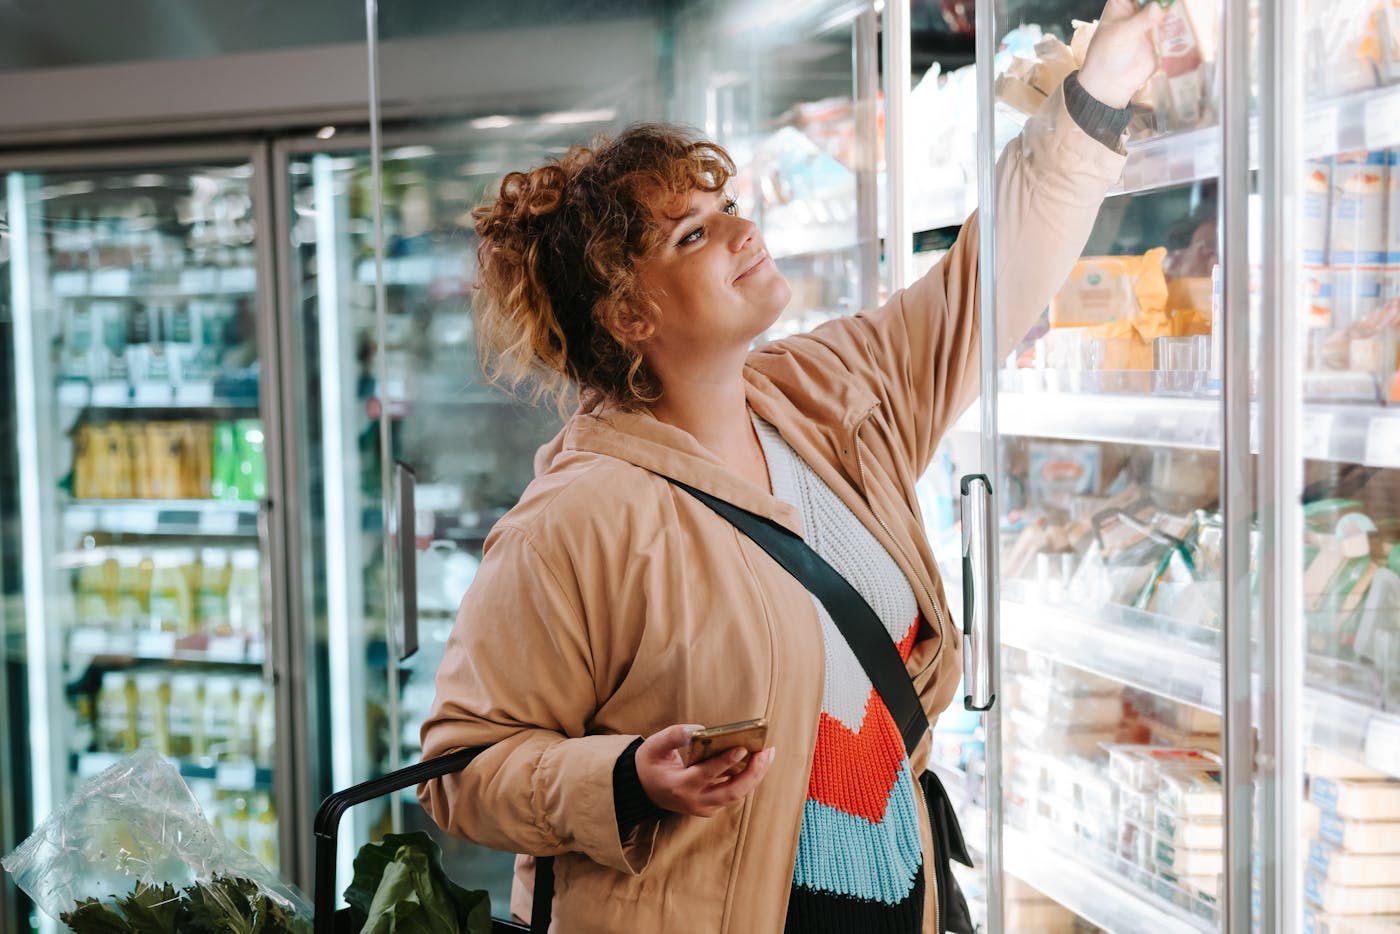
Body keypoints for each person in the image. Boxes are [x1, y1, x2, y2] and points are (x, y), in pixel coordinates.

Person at [419, 2, 1163, 930]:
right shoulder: (576, 520)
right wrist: (624, 777)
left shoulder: (826, 394)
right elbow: (463, 769)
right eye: (692, 235)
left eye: (726, 208)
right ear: (628, 317)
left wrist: (1098, 93)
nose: (741, 232)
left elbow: (987, 282)